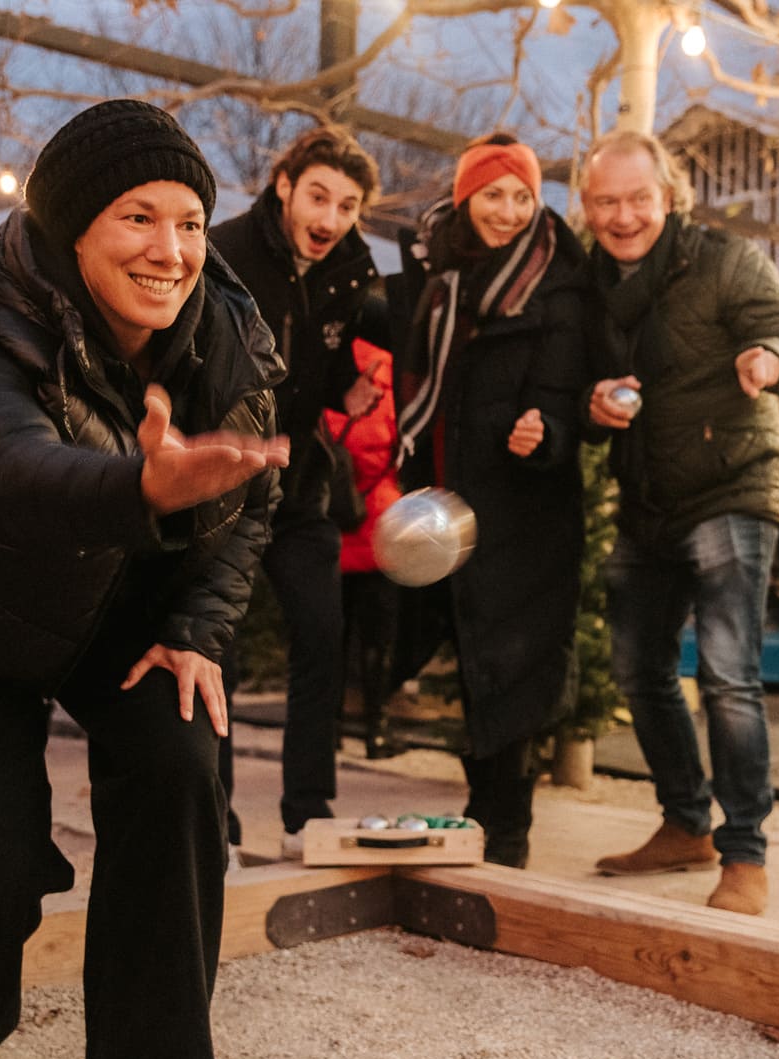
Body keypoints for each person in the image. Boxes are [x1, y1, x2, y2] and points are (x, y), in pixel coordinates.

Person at [0, 100, 287, 1059]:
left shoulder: (232, 332)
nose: (171, 251)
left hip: (128, 611)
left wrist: (194, 627)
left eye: (189, 222)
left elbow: (248, 508)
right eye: (138, 218)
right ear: (70, 227)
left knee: (180, 755)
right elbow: (8, 471)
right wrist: (138, 485)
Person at [580, 129, 779, 915]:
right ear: (587, 206)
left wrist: (774, 361)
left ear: (669, 196)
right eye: (606, 202)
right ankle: (685, 822)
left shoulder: (724, 261)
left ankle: (744, 853)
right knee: (637, 666)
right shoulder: (588, 282)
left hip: (733, 483)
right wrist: (590, 406)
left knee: (727, 672)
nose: (624, 217)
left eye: (639, 199)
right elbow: (576, 379)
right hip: (648, 494)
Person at [391, 132, 592, 869]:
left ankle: (509, 831)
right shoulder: (439, 273)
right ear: (465, 198)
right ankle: (481, 812)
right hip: (448, 499)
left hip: (523, 508)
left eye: (522, 196)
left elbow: (569, 393)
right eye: (493, 194)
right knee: (467, 658)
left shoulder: (559, 285)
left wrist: (548, 430)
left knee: (514, 663)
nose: (508, 211)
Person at [211, 125, 383, 858]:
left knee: (322, 631)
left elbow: (328, 363)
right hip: (220, 480)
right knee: (213, 644)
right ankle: (211, 817)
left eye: (347, 206)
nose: (330, 218)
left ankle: (307, 810)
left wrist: (350, 391)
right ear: (284, 187)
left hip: (301, 481)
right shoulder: (222, 253)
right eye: (319, 197)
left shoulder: (351, 270)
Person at [328, 328, 406, 759]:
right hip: (381, 525)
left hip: (333, 516)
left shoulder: (328, 366)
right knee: (379, 637)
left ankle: (332, 727)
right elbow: (400, 441)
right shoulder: (392, 373)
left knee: (332, 634)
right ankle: (377, 730)